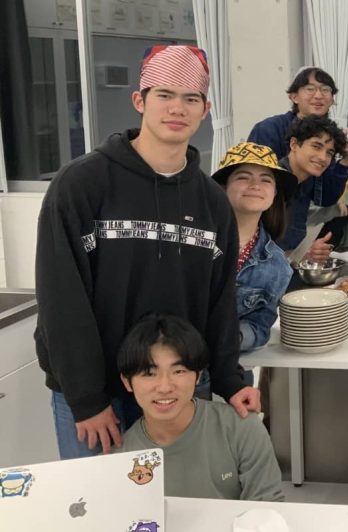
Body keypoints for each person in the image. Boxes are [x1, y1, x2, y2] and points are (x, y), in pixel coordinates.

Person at [35, 44, 259, 460]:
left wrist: (230, 379)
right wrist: (87, 398)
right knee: (97, 499)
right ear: (139, 101)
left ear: (205, 110)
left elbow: (219, 301)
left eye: (191, 99)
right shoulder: (81, 184)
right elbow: (60, 298)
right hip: (98, 396)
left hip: (176, 392)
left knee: (178, 497)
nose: (177, 108)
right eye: (164, 95)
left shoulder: (212, 202)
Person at [118, 314, 284, 502]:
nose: (164, 387)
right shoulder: (121, 457)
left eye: (178, 371)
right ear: (127, 382)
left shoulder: (240, 428)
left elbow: (268, 504)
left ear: (198, 376)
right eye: (149, 374)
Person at [210, 142, 297, 358]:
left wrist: (233, 338)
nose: (255, 185)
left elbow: (259, 326)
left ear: (274, 193)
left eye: (266, 180)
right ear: (223, 187)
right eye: (243, 177)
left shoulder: (278, 266)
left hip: (228, 366)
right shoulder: (191, 240)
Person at [248, 66, 348, 208]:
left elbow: (325, 198)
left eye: (325, 89)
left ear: (332, 100)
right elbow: (256, 185)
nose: (318, 95)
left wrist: (344, 162)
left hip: (298, 218)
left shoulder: (328, 137)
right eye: (310, 88)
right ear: (294, 97)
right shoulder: (269, 129)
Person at [275, 114, 348, 261]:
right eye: (316, 146)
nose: (323, 158)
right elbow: (252, 250)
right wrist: (302, 254)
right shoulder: (273, 182)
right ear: (294, 144)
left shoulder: (306, 182)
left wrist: (305, 253)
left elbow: (288, 247)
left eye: (329, 153)